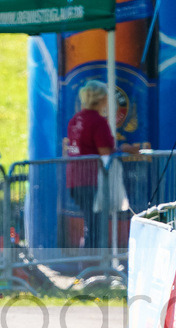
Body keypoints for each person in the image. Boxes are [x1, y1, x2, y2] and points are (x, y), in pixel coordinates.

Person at [65, 80, 140, 250]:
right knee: (96, 226)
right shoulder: (98, 122)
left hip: (74, 178)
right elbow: (105, 152)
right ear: (103, 99)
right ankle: (93, 264)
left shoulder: (75, 120)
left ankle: (87, 263)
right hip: (91, 179)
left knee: (91, 222)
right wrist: (125, 149)